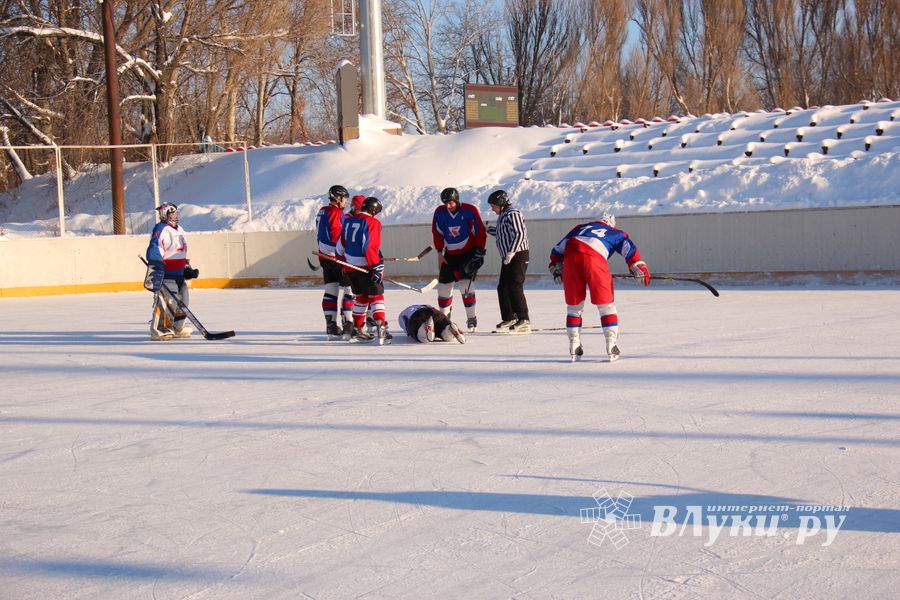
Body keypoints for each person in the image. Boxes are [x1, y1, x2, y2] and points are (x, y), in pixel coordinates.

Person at [548, 213, 651, 362]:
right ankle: (611, 345)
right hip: (595, 261)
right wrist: (637, 265)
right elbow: (628, 248)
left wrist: (555, 265)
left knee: (574, 307)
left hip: (571, 260)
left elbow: (557, 250)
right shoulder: (615, 233)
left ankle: (574, 346)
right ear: (611, 224)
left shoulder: (580, 228)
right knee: (606, 306)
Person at [431, 187, 487, 332]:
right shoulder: (440, 212)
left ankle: (471, 318)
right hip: (449, 255)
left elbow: (480, 231)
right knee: (443, 287)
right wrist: (439, 252)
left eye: (450, 202)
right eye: (445, 203)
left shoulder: (470, 210)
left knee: (465, 286)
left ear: (456, 200)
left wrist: (479, 252)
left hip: (467, 254)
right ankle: (444, 319)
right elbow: (437, 233)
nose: (448, 206)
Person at [339, 196, 392, 344]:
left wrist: (344, 264)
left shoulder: (349, 220)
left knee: (361, 297)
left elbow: (340, 247)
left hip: (350, 267)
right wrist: (376, 266)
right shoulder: (373, 222)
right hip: (365, 266)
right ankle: (381, 326)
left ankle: (357, 329)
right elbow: (369, 247)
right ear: (374, 210)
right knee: (376, 297)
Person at [144, 203, 199, 340]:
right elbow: (155, 249)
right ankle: (159, 329)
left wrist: (186, 267)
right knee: (168, 302)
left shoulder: (180, 229)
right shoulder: (161, 229)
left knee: (183, 301)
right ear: (165, 215)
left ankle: (177, 327)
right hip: (167, 273)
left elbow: (180, 252)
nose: (176, 215)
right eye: (172, 213)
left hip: (179, 273)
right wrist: (157, 267)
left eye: (176, 212)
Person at [486, 189, 531, 333]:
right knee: (503, 287)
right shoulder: (503, 215)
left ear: (500, 203)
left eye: (493, 206)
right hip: (508, 257)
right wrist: (488, 230)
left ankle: (523, 319)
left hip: (517, 255)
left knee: (515, 285)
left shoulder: (513, 213)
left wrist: (511, 252)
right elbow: (502, 233)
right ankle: (509, 317)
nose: (492, 209)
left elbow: (519, 234)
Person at [315, 185, 356, 339]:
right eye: (344, 198)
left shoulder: (322, 211)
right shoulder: (336, 212)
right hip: (337, 258)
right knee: (349, 291)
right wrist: (348, 252)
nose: (346, 201)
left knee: (331, 290)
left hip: (324, 257)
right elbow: (335, 235)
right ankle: (349, 325)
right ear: (337, 198)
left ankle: (331, 326)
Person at [398, 305, 467, 344]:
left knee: (422, 338)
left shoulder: (402, 315)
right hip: (434, 312)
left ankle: (427, 328)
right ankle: (449, 329)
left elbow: (408, 330)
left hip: (417, 315)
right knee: (443, 329)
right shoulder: (422, 305)